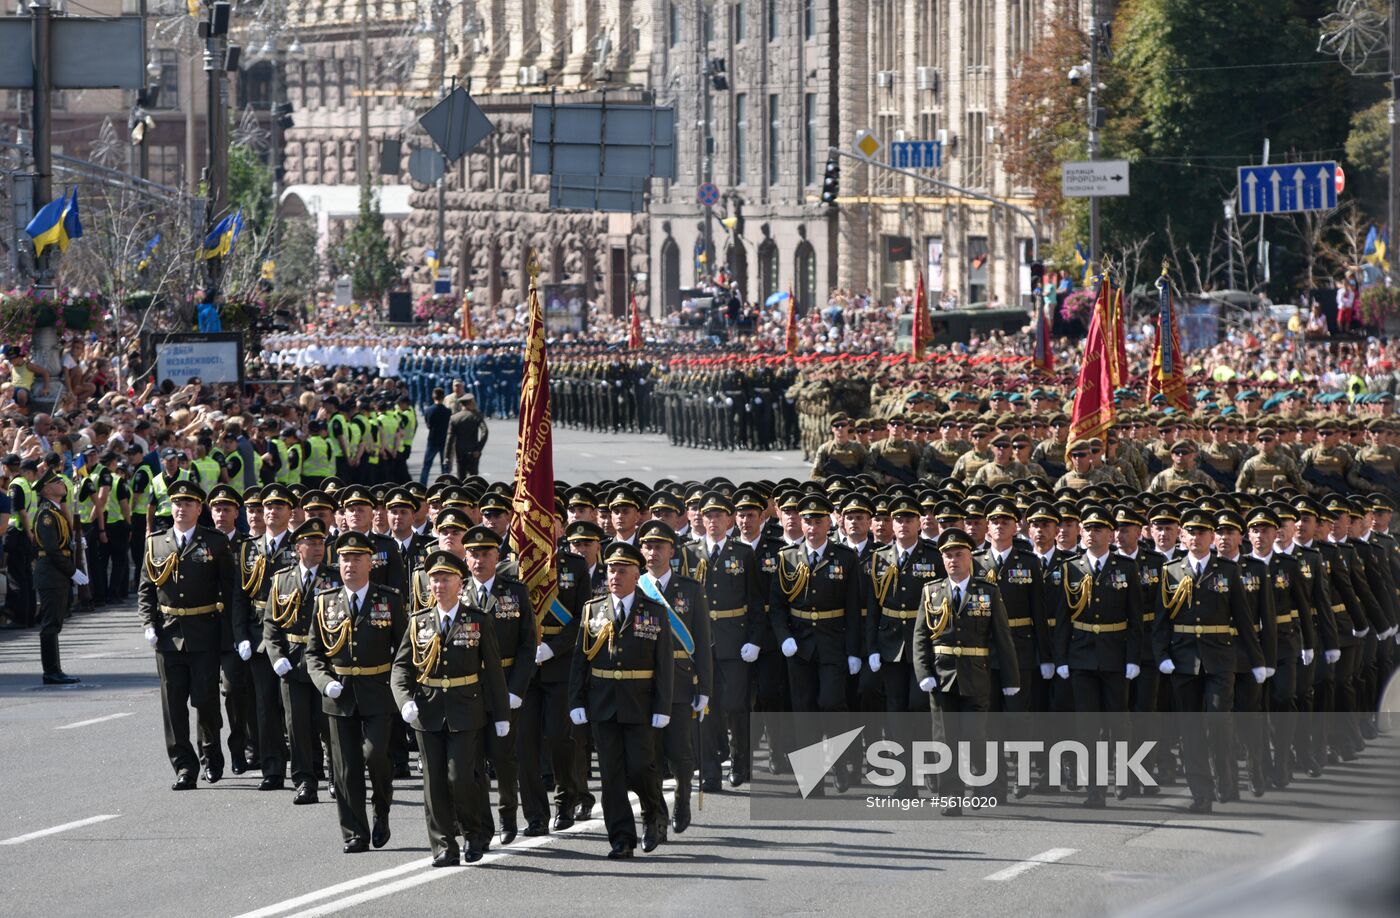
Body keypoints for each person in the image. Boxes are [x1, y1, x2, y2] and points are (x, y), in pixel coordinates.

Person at [391, 550, 510, 866]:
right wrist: (405, 701)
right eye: (434, 579)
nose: (439, 585)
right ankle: (443, 845)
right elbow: (401, 667)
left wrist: (501, 714)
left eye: (446, 578)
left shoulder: (477, 620)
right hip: (428, 711)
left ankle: (473, 832)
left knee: (460, 776)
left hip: (465, 708)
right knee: (434, 783)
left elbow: (493, 671)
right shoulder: (418, 623)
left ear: (461, 583)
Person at [568, 541, 674, 859]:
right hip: (603, 703)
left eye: (622, 570)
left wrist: (663, 707)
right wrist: (576, 701)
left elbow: (664, 664)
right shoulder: (593, 609)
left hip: (640, 703)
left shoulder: (653, 612)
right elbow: (579, 661)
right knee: (611, 775)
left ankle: (654, 816)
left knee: (641, 768)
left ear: (636, 574)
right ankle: (621, 838)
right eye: (611, 569)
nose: (614, 575)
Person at [305, 531, 407, 854]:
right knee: (345, 766)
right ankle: (354, 832)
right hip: (339, 693)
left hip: (378, 691)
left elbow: (403, 649)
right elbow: (314, 653)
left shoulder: (388, 600)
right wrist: (325, 681)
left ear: (370, 563)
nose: (350, 564)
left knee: (375, 755)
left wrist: (399, 686)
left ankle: (382, 808)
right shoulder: (325, 601)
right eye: (345, 558)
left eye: (357, 558)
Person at [138, 479, 238, 789]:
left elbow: (230, 589)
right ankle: (184, 766)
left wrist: (230, 633)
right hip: (168, 635)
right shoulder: (155, 542)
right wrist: (148, 623)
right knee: (174, 704)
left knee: (206, 699)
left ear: (199, 508)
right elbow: (146, 588)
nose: (181, 509)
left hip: (204, 631)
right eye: (177, 503)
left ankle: (210, 753)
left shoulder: (215, 542)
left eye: (188, 504)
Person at [913, 527, 1018, 816]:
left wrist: (1011, 679)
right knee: (945, 740)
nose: (953, 560)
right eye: (948, 555)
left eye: (958, 554)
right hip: (942, 675)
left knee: (975, 736)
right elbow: (920, 637)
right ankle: (951, 796)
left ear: (970, 557)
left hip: (976, 675)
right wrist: (924, 673)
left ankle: (984, 787)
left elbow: (1002, 638)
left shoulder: (987, 592)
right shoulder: (931, 591)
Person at [637, 519, 711, 834]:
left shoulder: (690, 589)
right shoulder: (635, 586)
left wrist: (705, 687)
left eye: (659, 546)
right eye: (648, 546)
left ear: (672, 550)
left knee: (680, 753)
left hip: (680, 682)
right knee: (648, 757)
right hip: (645, 683)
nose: (653, 552)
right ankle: (656, 816)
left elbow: (703, 643)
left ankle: (682, 798)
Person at [263, 517, 341, 806]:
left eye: (321, 542)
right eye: (312, 542)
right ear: (298, 547)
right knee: (296, 725)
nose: (318, 547)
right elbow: (271, 624)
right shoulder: (282, 579)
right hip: (293, 660)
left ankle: (335, 774)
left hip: (325, 662)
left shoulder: (334, 578)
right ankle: (304, 781)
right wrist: (276, 656)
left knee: (327, 723)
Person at [34, 470, 81, 684]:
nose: (62, 484)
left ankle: (55, 670)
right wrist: (72, 571)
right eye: (56, 482)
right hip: (51, 573)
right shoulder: (46, 514)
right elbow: (52, 550)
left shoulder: (55, 511)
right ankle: (51, 671)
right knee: (51, 624)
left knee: (55, 623)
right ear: (46, 489)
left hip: (56, 573)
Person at [446, 393, 488, 477]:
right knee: (473, 478)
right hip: (473, 451)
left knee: (461, 477)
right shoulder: (476, 416)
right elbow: (485, 431)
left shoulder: (454, 418)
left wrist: (447, 456)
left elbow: (450, 438)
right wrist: (479, 449)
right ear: (470, 403)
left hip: (460, 451)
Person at [419, 387, 451, 484]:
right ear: (443, 397)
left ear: (433, 397)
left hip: (432, 439)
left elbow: (428, 424)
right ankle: (446, 485)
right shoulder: (447, 411)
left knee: (427, 465)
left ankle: (422, 485)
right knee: (444, 466)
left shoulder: (429, 410)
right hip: (444, 439)